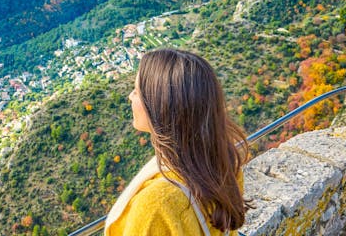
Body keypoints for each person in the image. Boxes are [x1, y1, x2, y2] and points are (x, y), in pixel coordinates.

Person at [104, 49, 250, 236]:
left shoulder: (154, 205)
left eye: (137, 91)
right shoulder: (224, 160)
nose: (130, 96)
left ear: (160, 108)